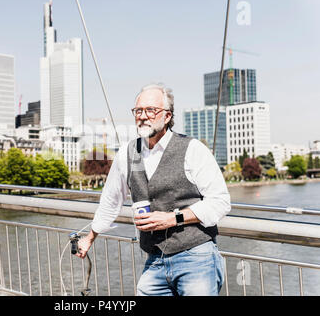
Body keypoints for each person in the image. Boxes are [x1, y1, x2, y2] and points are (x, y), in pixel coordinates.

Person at [76, 83, 231, 296]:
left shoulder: (193, 149)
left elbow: (220, 202)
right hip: (155, 260)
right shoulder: (126, 154)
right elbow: (110, 200)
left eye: (151, 110)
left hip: (196, 258)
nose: (142, 116)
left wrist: (172, 219)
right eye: (138, 111)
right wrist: (90, 237)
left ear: (167, 116)